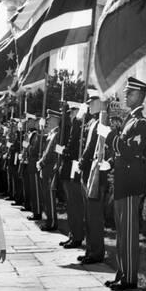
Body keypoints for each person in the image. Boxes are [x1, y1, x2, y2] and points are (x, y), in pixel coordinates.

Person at [103, 77, 146, 291]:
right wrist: (111, 163)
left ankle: (130, 278)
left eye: (129, 92)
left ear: (139, 95)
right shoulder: (129, 120)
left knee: (129, 233)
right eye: (126, 92)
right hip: (123, 182)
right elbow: (121, 153)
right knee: (121, 232)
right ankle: (122, 272)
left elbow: (131, 151)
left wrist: (111, 136)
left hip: (131, 185)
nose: (125, 95)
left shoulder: (141, 122)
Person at [77, 94, 111, 264]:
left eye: (92, 102)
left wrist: (82, 162)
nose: (89, 105)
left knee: (95, 217)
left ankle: (96, 253)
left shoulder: (104, 122)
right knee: (88, 217)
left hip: (96, 176)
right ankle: (90, 249)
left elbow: (95, 149)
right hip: (88, 174)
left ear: (100, 102)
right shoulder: (92, 122)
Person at [59, 102, 85, 248]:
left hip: (73, 169)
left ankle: (77, 236)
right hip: (69, 168)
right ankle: (73, 234)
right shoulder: (74, 125)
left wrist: (64, 151)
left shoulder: (78, 125)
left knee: (75, 204)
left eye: (71, 112)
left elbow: (72, 146)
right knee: (70, 205)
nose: (69, 115)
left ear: (77, 111)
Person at [36, 109, 61, 231]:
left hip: (50, 168)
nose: (48, 121)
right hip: (46, 168)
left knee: (50, 197)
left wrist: (42, 162)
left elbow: (51, 152)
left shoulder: (57, 134)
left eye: (50, 119)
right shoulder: (52, 133)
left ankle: (52, 223)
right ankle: (49, 220)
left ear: (56, 120)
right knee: (46, 196)